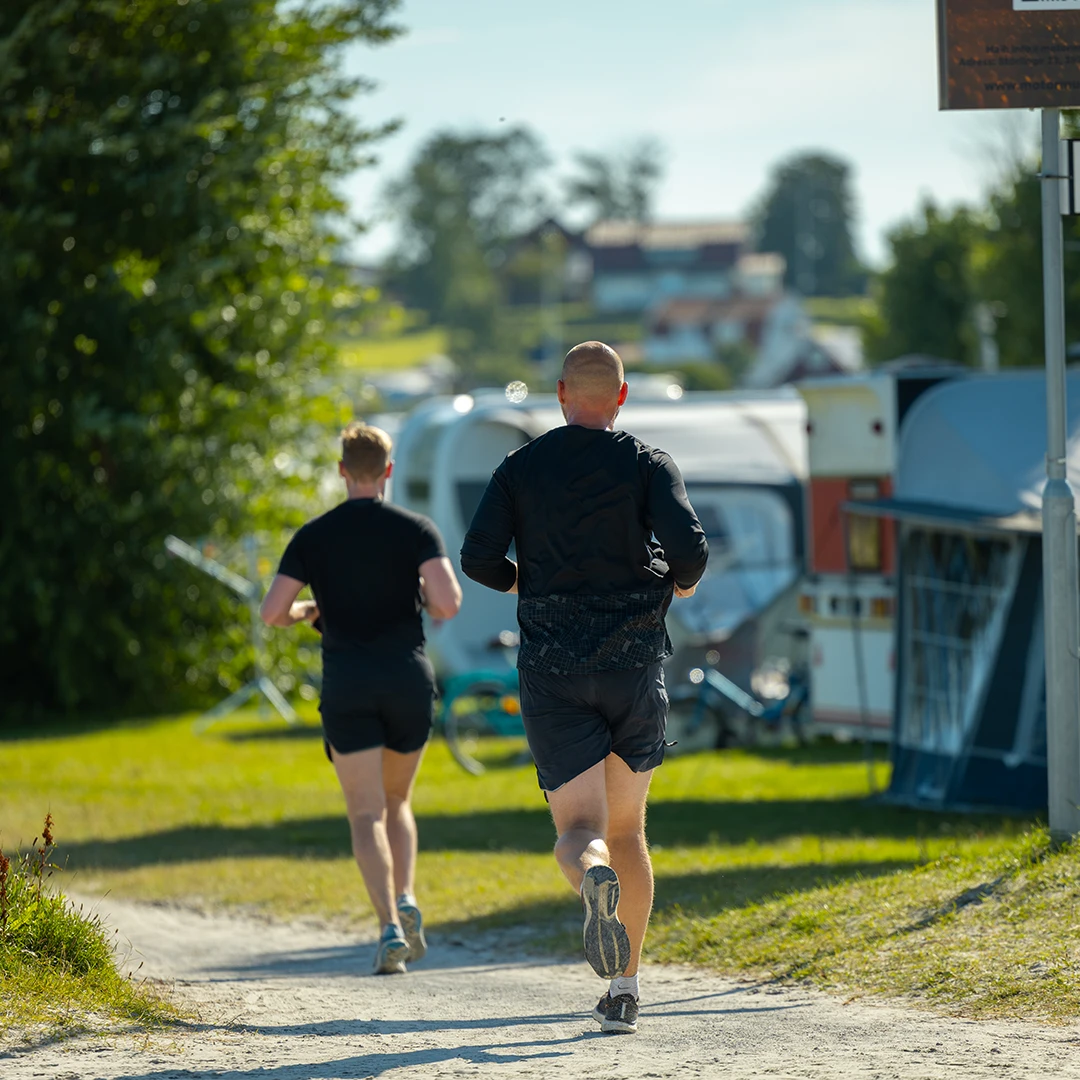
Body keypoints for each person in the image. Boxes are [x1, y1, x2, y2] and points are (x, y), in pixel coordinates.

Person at [460, 341, 708, 1034]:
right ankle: (625, 990)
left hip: (553, 670)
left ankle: (589, 875)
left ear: (563, 392)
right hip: (633, 668)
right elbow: (689, 551)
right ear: (621, 397)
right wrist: (675, 584)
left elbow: (477, 557)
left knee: (581, 831)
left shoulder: (520, 467)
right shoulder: (648, 463)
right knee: (630, 830)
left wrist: (524, 583)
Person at [261, 422, 462, 975]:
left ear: (343, 471)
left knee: (365, 812)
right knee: (398, 803)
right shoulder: (417, 529)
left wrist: (309, 611)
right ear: (389, 471)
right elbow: (447, 603)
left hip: (347, 684)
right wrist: (415, 594)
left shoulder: (313, 535)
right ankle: (408, 896)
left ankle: (388, 931)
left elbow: (273, 612)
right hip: (406, 679)